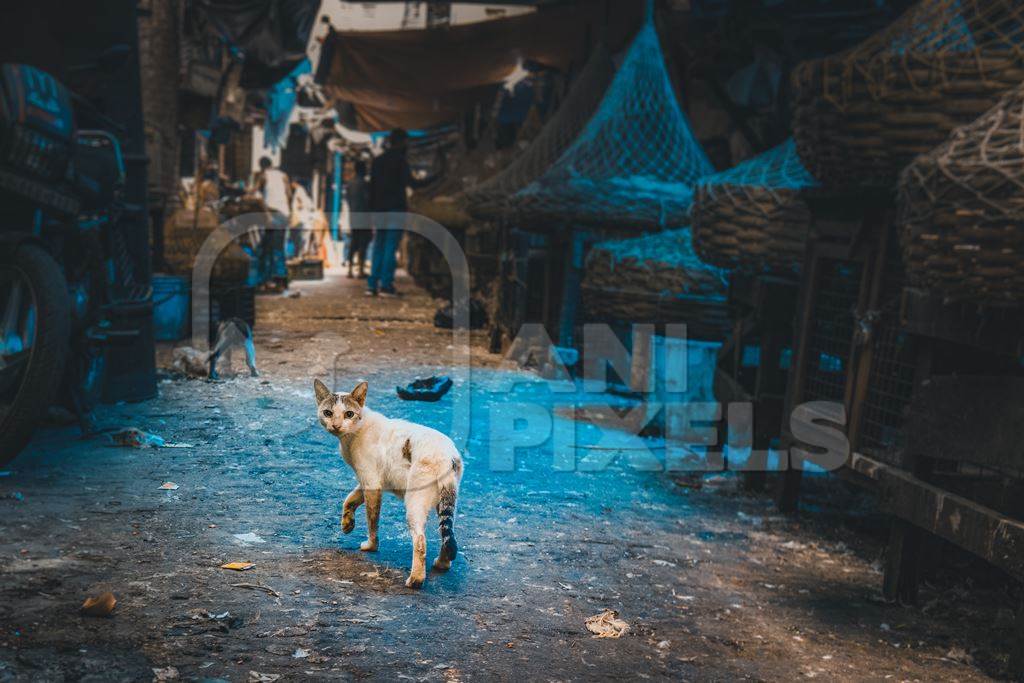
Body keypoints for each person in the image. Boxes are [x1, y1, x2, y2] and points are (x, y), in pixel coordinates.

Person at [366, 128, 443, 297]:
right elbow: (413, 184)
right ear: (402, 142)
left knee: (379, 245)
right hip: (395, 209)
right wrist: (436, 178)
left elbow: (371, 189)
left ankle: (372, 285)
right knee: (390, 246)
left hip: (379, 210)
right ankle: (386, 286)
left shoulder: (378, 162)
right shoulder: (400, 162)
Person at [253, 156, 292, 292]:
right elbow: (289, 195)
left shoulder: (263, 176)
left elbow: (256, 195)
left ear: (262, 166)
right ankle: (280, 280)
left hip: (272, 214)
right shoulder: (283, 176)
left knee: (266, 248)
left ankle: (265, 281)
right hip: (284, 214)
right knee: (278, 247)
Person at [346, 159, 372, 279]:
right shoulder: (365, 184)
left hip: (353, 216)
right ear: (363, 170)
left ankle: (350, 270)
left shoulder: (350, 183)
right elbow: (368, 200)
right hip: (364, 217)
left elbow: (348, 200)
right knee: (363, 243)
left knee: (353, 242)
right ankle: (361, 270)